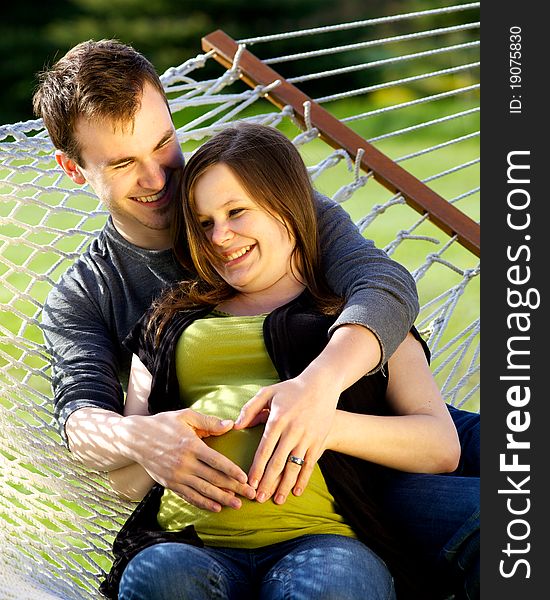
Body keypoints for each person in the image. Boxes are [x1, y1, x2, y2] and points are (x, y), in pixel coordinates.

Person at [31, 39, 478, 599]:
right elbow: (80, 421)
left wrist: (318, 389)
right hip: (258, 487)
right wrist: (145, 438)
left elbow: (382, 285)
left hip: (367, 413)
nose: (158, 177)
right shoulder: (87, 294)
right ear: (73, 169)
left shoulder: (244, 188)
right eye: (123, 164)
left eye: (163, 143)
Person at [102, 122, 462, 600]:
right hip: (188, 544)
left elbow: (441, 445)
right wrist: (162, 449)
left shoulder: (353, 319)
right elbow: (125, 481)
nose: (220, 236)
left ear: (288, 209)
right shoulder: (166, 322)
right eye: (205, 223)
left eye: (236, 212)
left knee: (335, 589)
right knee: (158, 578)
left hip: (324, 542)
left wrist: (324, 424)